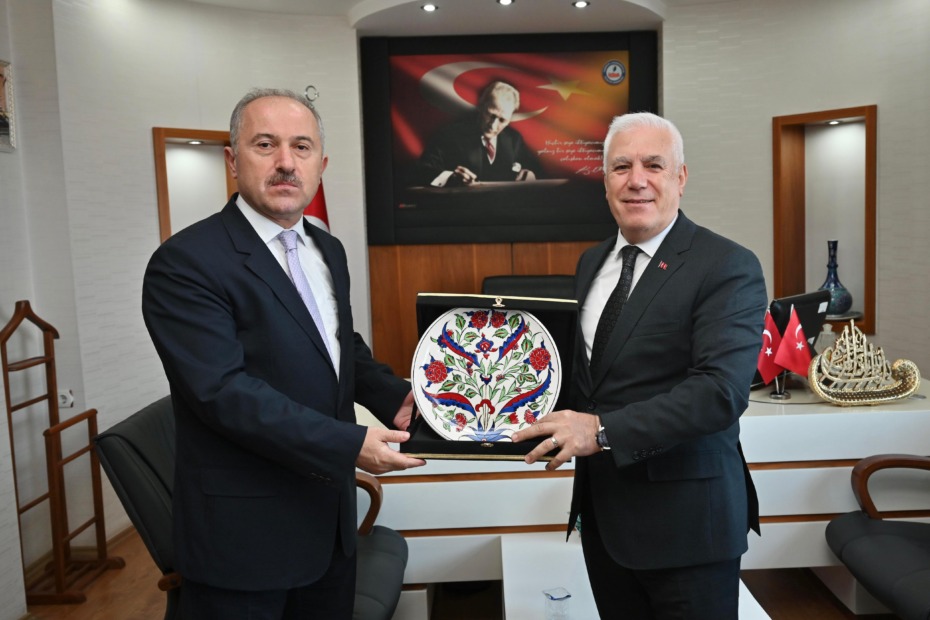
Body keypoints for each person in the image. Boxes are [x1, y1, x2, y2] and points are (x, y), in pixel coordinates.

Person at [142, 87, 426, 619]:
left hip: (330, 530)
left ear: (321, 165)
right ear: (232, 161)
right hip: (244, 542)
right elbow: (223, 392)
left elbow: (338, 346)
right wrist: (349, 444)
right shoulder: (185, 263)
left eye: (301, 147)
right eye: (265, 145)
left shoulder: (327, 248)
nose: (286, 163)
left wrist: (400, 398)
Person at [512, 112, 767, 619]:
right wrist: (491, 404)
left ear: (681, 177)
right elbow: (584, 381)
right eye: (621, 167)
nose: (637, 180)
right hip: (604, 520)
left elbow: (719, 392)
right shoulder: (592, 263)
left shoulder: (726, 265)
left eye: (653, 165)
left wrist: (602, 430)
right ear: (605, 180)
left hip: (688, 529)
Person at [412, 80, 542, 187]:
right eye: (490, 115)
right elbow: (421, 171)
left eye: (502, 120)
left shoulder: (514, 139)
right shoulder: (450, 135)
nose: (493, 125)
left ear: (510, 119)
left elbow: (536, 170)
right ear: (481, 106)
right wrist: (451, 177)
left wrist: (530, 175)